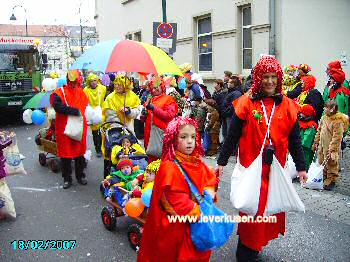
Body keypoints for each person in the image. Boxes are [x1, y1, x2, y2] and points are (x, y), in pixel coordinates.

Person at [216, 56, 307, 261]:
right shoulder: (246, 103)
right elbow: (232, 135)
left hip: (275, 170)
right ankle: (246, 251)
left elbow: (295, 140)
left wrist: (301, 167)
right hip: (251, 169)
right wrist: (221, 162)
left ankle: (255, 246)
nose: (270, 81)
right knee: (251, 208)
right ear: (258, 78)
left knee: (267, 211)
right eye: (265, 77)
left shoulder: (288, 106)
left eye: (274, 77)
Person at [137, 117, 217, 262]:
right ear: (173, 139)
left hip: (194, 221)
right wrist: (201, 211)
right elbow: (173, 202)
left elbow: (209, 179)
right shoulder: (169, 167)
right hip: (176, 227)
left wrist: (209, 191)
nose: (190, 141)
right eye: (183, 137)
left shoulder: (196, 161)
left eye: (193, 137)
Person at [50, 70, 89, 189]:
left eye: (75, 82)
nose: (74, 84)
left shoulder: (81, 92)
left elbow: (86, 106)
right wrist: (74, 111)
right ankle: (67, 178)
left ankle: (80, 175)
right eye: (72, 81)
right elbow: (57, 107)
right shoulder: (59, 92)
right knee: (66, 155)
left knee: (79, 154)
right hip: (64, 128)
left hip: (79, 127)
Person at [102, 74, 141, 178]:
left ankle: (128, 176)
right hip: (114, 131)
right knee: (113, 152)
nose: (117, 87)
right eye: (116, 84)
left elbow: (136, 111)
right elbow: (109, 116)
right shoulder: (110, 98)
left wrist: (128, 111)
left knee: (129, 152)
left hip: (129, 128)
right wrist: (119, 124)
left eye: (120, 85)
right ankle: (108, 177)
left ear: (126, 86)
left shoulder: (132, 96)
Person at [312, 101, 349, 190]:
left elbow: (337, 137)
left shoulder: (337, 121)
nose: (324, 109)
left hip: (331, 147)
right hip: (322, 145)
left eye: (326, 108)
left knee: (331, 164)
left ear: (332, 109)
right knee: (322, 161)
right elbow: (319, 130)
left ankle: (331, 179)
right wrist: (316, 142)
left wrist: (332, 149)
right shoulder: (324, 118)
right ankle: (324, 177)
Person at [142, 76, 178, 163]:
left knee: (162, 159)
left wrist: (153, 108)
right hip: (149, 135)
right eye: (152, 88)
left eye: (156, 87)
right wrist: (143, 115)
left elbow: (169, 115)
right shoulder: (150, 100)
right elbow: (143, 119)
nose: (154, 90)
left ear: (162, 86)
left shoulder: (169, 99)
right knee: (151, 158)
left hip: (161, 135)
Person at [83, 73, 107, 158]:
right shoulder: (85, 90)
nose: (93, 82)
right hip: (91, 114)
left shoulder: (103, 88)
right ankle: (98, 149)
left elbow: (106, 98)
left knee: (101, 132)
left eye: (95, 80)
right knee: (94, 132)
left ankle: (101, 147)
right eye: (91, 81)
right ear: (89, 82)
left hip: (101, 112)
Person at [298, 104, 318, 171]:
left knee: (306, 159)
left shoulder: (311, 126)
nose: (300, 114)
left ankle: (306, 171)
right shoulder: (301, 121)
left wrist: (300, 144)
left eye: (302, 113)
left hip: (306, 148)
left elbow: (307, 139)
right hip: (300, 146)